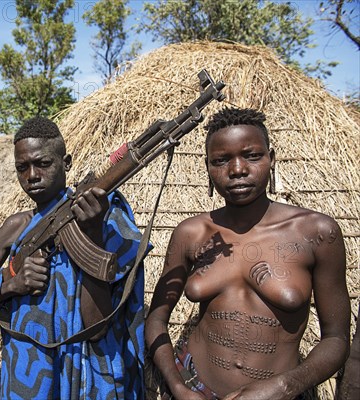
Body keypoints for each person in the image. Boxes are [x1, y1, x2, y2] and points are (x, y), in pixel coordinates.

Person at [145, 107, 351, 399]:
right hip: (194, 388)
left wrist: (285, 386)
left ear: (272, 159)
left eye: (252, 155)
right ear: (207, 167)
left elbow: (337, 339)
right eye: (221, 160)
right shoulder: (192, 233)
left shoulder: (317, 233)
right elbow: (155, 320)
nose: (237, 170)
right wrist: (178, 386)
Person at [0, 116, 150, 399]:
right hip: (30, 375)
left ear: (66, 163)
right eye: (23, 167)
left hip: (90, 373)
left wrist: (92, 234)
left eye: (43, 164)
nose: (32, 175)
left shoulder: (107, 218)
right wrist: (10, 283)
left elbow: (97, 327)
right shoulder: (14, 227)